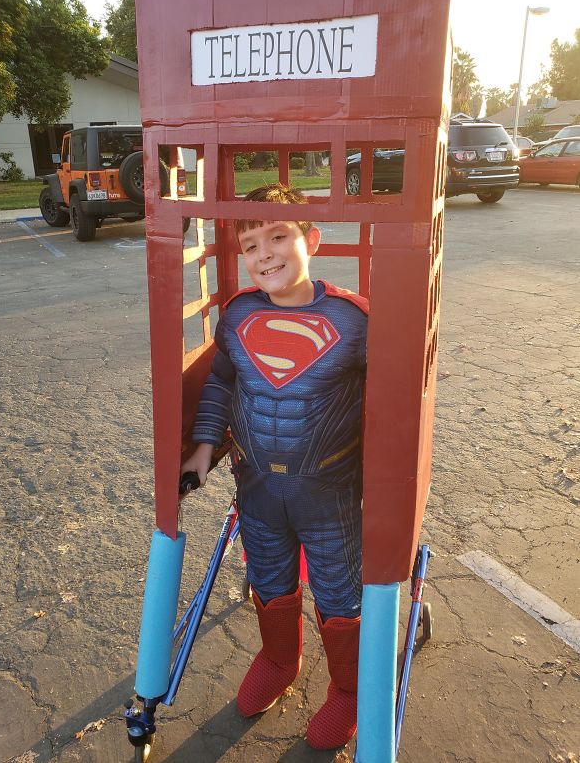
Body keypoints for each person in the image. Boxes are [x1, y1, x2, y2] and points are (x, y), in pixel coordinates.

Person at [181, 183, 368, 749]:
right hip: (257, 487)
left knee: (339, 595)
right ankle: (279, 660)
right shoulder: (238, 315)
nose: (264, 253)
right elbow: (221, 382)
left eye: (278, 236)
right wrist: (203, 447)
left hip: (331, 492)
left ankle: (350, 690)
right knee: (269, 580)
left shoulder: (353, 319)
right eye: (250, 244)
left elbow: (394, 395)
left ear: (311, 239)